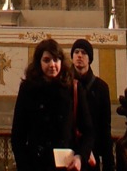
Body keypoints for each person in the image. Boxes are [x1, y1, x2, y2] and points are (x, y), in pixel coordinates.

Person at [11, 38, 94, 171]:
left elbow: (88, 131)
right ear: (39, 62)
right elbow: (18, 135)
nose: (52, 65)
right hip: (36, 164)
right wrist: (24, 166)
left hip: (66, 164)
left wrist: (79, 157)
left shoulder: (73, 87)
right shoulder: (28, 89)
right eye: (47, 60)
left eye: (56, 60)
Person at [70, 38, 114, 171]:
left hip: (92, 151)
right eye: (76, 52)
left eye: (84, 53)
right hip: (69, 150)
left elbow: (105, 127)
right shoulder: (64, 84)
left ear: (89, 59)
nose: (79, 55)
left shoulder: (101, 87)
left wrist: (108, 163)